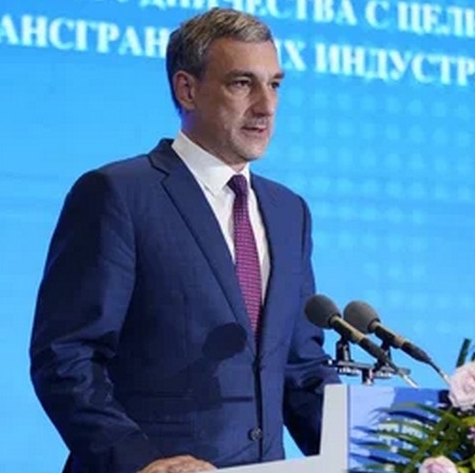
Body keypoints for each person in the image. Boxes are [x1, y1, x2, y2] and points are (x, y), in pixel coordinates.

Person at [29, 7, 340, 473]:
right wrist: (140, 461)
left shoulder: (288, 211)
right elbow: (66, 357)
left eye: (274, 84)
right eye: (243, 83)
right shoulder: (118, 194)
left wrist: (390, 453)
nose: (266, 106)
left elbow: (300, 369)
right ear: (187, 89)